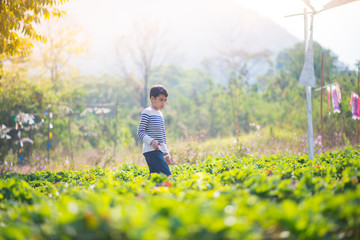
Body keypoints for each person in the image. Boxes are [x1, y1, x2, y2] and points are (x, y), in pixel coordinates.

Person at [137, 84, 172, 176]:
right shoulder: (147, 112)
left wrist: (166, 154)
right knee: (166, 175)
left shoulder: (160, 114)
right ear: (152, 99)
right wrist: (152, 141)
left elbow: (162, 137)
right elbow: (140, 132)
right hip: (151, 151)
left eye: (165, 100)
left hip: (158, 151)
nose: (163, 103)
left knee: (156, 179)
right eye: (161, 100)